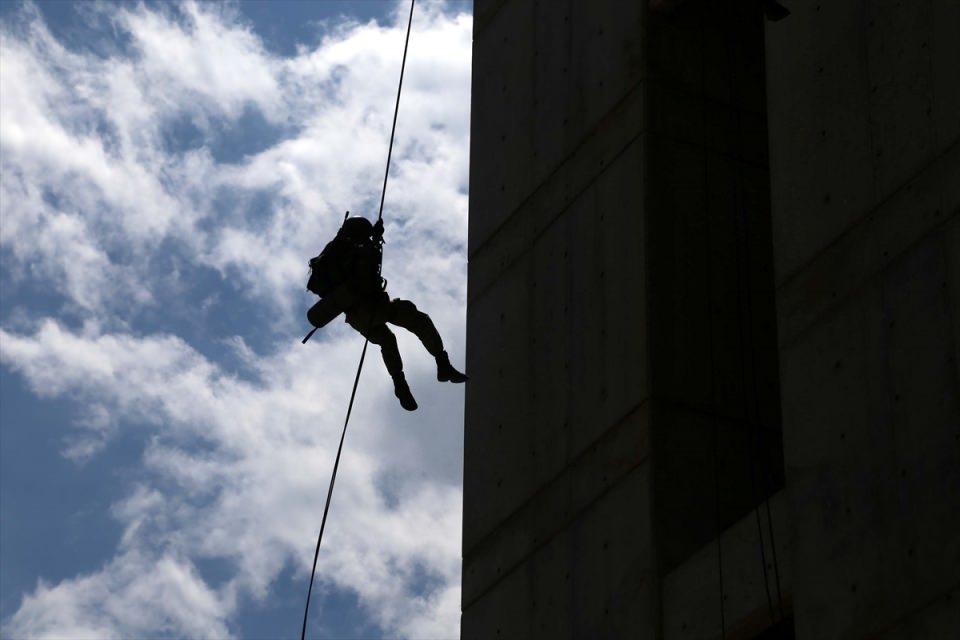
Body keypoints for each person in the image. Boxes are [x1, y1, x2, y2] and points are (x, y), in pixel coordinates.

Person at [306, 215, 467, 411]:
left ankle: (400, 385)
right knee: (417, 319)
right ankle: (443, 364)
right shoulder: (354, 252)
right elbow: (366, 272)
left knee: (387, 341)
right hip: (371, 305)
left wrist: (374, 238)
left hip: (357, 317)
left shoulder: (335, 252)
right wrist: (374, 242)